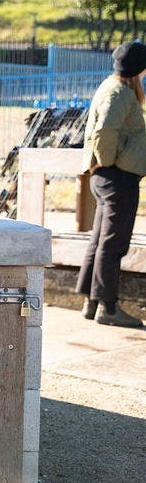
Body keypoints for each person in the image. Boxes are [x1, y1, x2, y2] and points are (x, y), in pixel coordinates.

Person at [76, 41, 146, 328]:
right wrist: (107, 161)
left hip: (108, 177)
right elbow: (105, 130)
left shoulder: (112, 85)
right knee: (113, 245)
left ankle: (91, 302)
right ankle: (108, 307)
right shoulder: (120, 91)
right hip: (117, 177)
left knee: (100, 241)